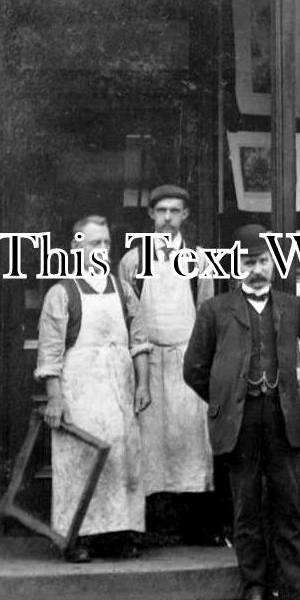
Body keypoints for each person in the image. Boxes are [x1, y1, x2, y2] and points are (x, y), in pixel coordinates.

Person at [183, 224, 300, 600]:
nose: (257, 269)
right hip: (239, 421)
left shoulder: (290, 306)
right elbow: (194, 370)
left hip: (283, 416)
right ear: (236, 267)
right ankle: (253, 589)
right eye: (249, 262)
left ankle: (297, 592)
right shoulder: (215, 310)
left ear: (273, 264)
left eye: (263, 261)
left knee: (288, 506)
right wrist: (226, 400)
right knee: (246, 508)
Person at [35, 215, 150, 563]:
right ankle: (74, 538)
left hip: (119, 388)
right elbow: (50, 354)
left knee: (121, 459)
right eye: (92, 244)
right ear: (76, 247)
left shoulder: (123, 289)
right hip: (80, 390)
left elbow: (140, 341)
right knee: (82, 461)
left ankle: (119, 535)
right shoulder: (62, 293)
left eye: (105, 244)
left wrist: (143, 383)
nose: (100, 251)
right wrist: (55, 398)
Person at [118, 184, 220, 545]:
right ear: (151, 215)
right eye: (161, 211)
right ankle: (146, 527)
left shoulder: (199, 259)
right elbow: (127, 317)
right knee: (148, 442)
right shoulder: (132, 260)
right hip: (148, 363)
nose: (167, 218)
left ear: (185, 216)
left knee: (191, 438)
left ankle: (198, 526)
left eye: (175, 211)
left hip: (187, 361)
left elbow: (207, 312)